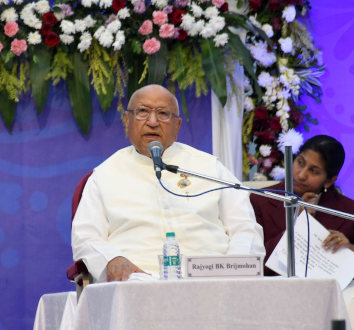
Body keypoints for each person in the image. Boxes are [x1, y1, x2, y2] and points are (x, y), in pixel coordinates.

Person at [71, 84, 265, 282]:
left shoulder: (209, 168)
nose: (152, 122)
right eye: (142, 112)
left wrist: (235, 268)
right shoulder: (104, 175)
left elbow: (245, 227)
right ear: (127, 121)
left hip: (212, 282)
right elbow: (86, 236)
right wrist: (112, 259)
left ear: (177, 126)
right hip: (137, 284)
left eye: (163, 114)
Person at [250, 135, 354, 275]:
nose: (301, 175)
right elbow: (253, 264)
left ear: (329, 181)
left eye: (313, 171)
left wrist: (349, 251)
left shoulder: (348, 211)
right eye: (300, 162)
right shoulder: (261, 199)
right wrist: (297, 224)